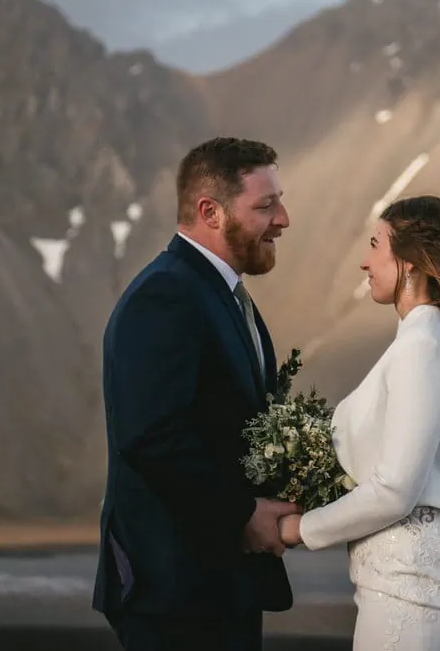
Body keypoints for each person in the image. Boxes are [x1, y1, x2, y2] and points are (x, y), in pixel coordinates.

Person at [279, 195, 440, 650]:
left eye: (375, 244)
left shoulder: (422, 345)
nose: (365, 262)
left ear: (409, 261)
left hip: (414, 596)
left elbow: (395, 489)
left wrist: (298, 529)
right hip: (415, 585)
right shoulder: (436, 337)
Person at [94, 136, 298, 650]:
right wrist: (244, 513)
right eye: (266, 205)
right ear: (210, 211)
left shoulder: (222, 296)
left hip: (215, 583)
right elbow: (151, 436)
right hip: (175, 588)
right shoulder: (165, 296)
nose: (283, 219)